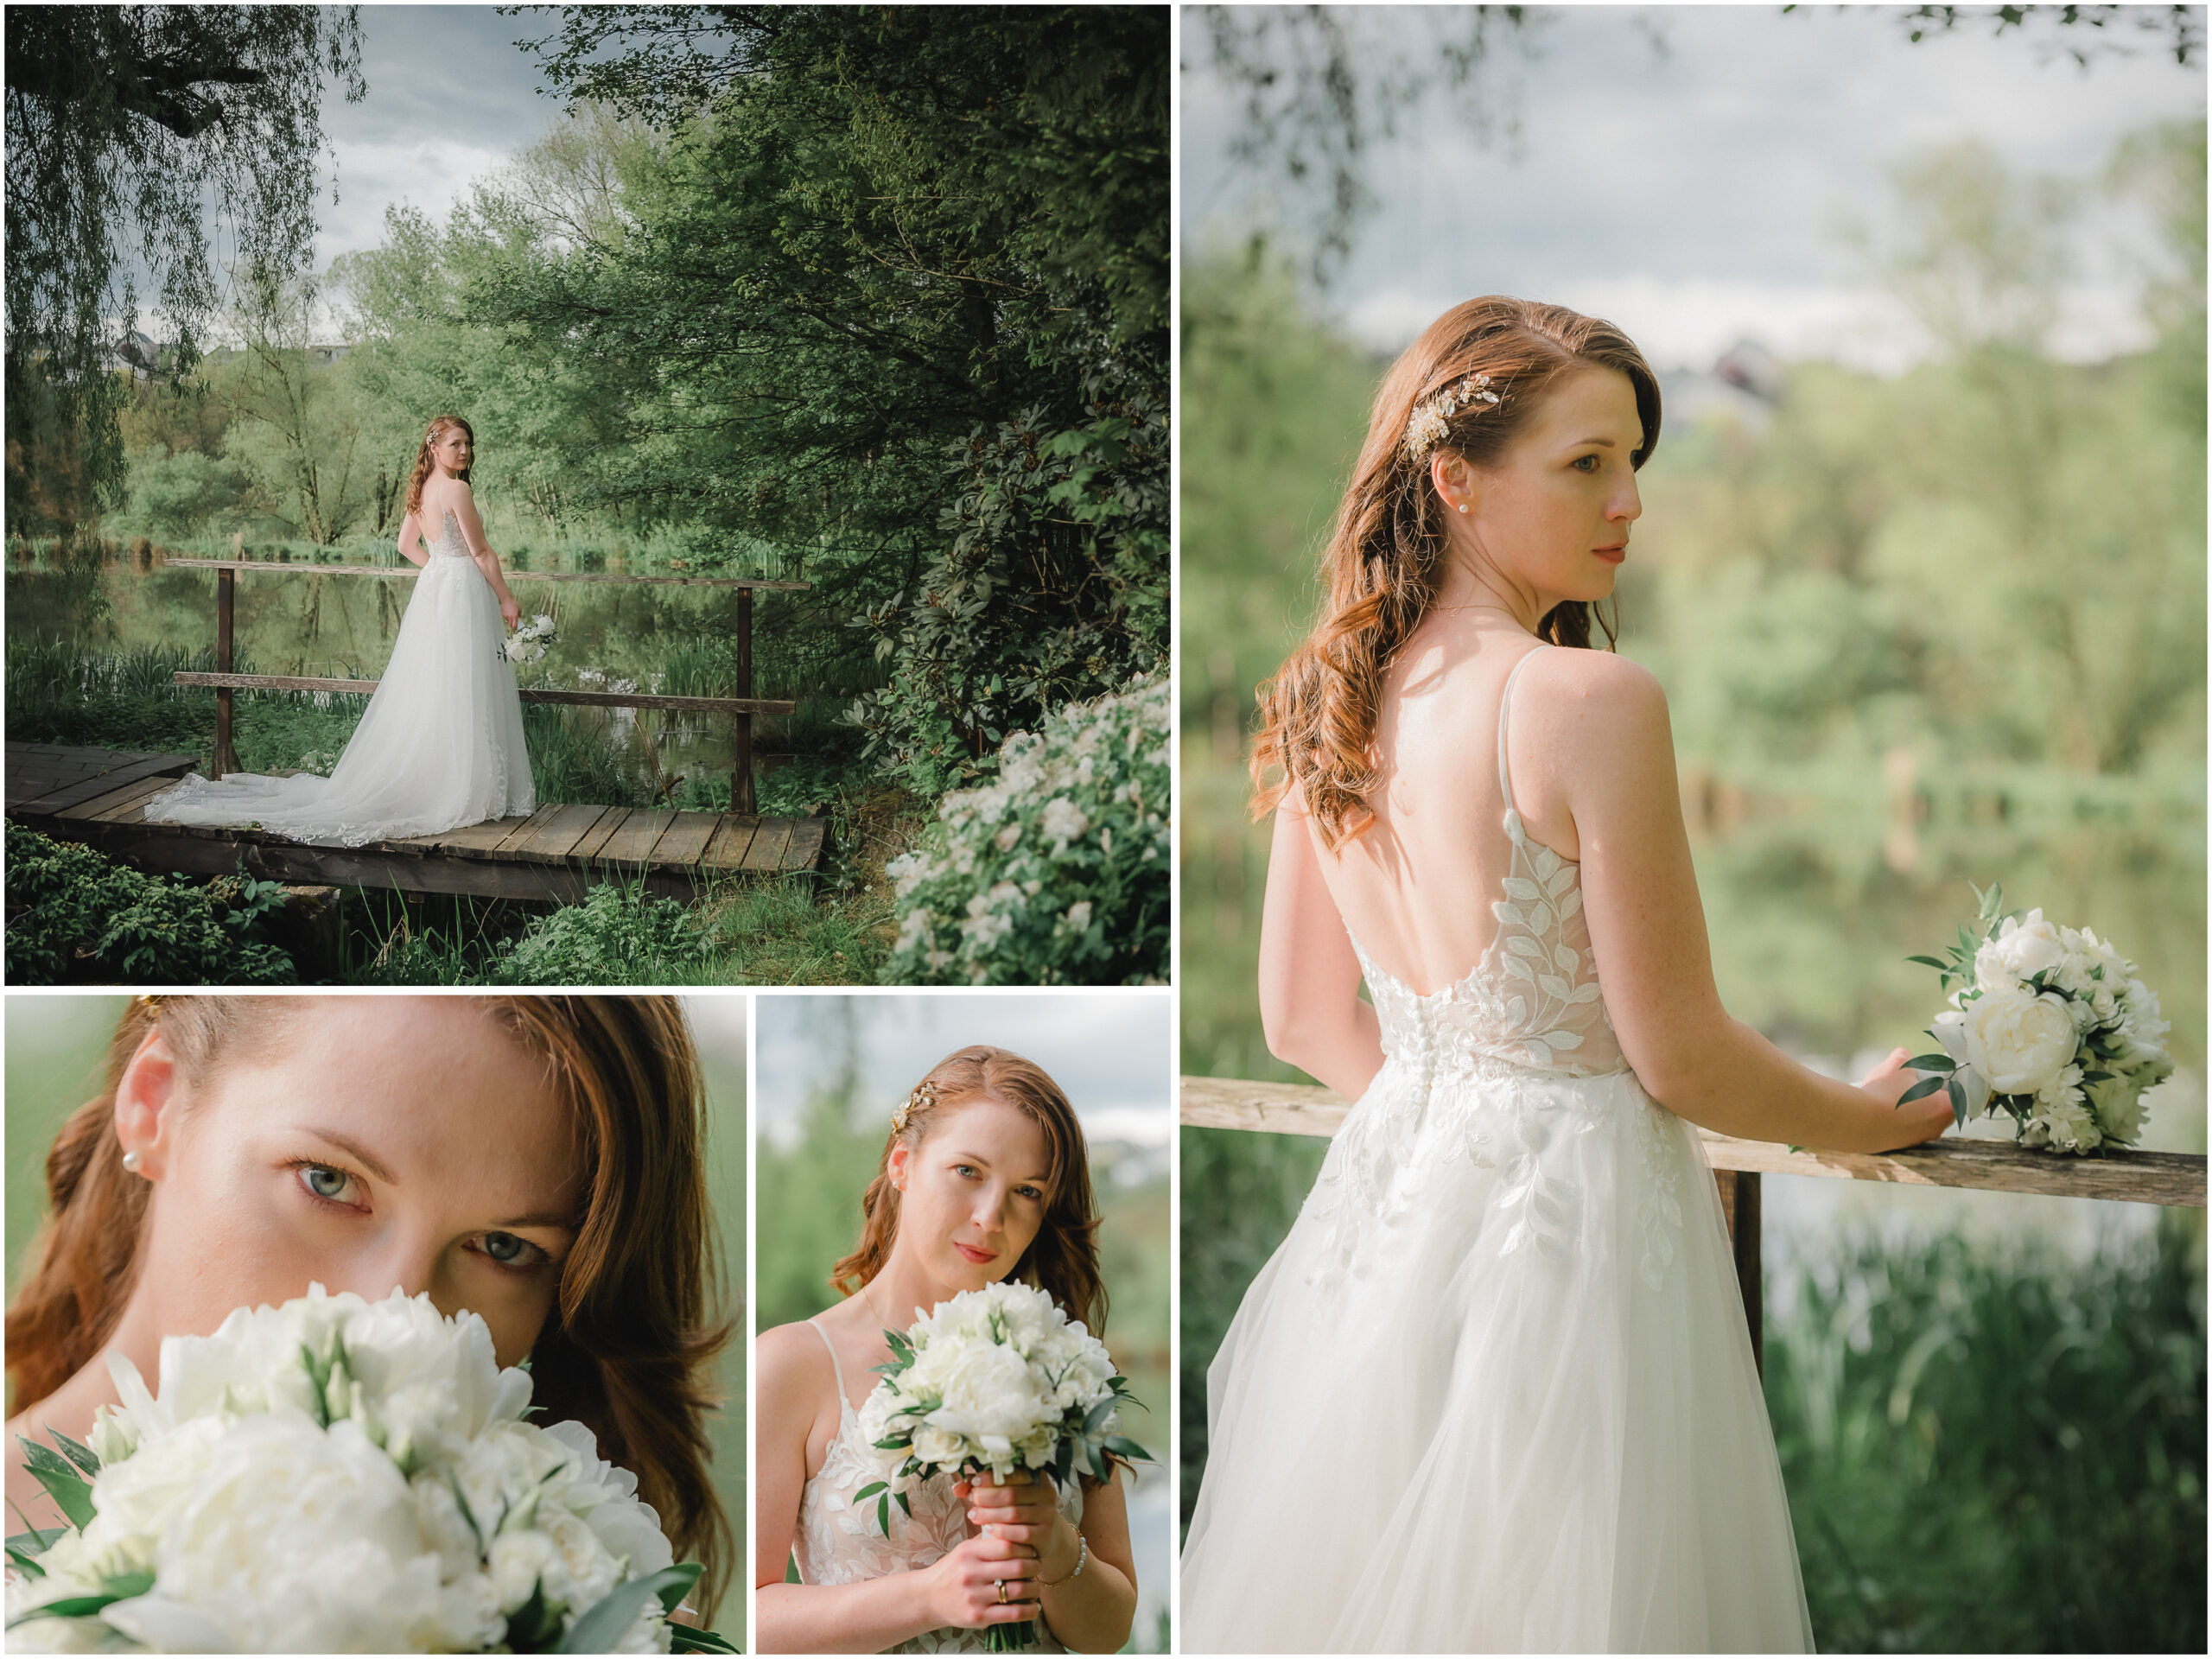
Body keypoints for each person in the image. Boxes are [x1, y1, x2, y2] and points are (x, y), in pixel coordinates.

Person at [1178, 296, 1956, 1653]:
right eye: (1587, 462)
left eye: (1635, 463)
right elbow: (1680, 1056)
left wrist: (1455, 1135)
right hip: (1581, 1233)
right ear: (1456, 479)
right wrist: (1871, 1118)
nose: (1631, 504)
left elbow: (1304, 1018)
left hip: (1391, 1220)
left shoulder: (1330, 694)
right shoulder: (1590, 702)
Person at [3, 994, 735, 1629]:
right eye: (328, 1180)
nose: (395, 1313)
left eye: (503, 1247)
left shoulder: (579, 1601)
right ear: (153, 1105)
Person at [755, 1046, 1140, 1654]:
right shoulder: (790, 1366)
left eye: (1028, 1191)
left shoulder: (1065, 1365)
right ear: (904, 1163)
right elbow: (751, 1622)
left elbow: (1109, 1632)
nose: (991, 1217)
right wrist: (926, 1597)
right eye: (968, 1171)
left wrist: (1057, 1544)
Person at [143, 415, 536, 845]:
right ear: (435, 447)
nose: (465, 452)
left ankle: (450, 780)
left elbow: (407, 546)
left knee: (440, 684)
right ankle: (463, 786)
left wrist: (441, 571)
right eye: (457, 444)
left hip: (439, 590)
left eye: (468, 445)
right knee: (464, 682)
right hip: (460, 593)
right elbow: (480, 552)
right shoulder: (457, 489)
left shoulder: (423, 489)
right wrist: (505, 598)